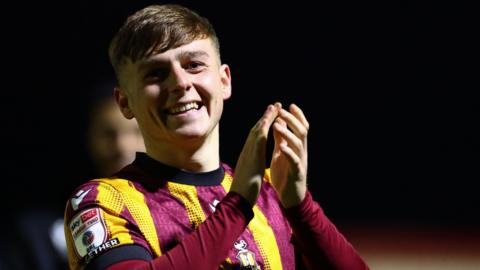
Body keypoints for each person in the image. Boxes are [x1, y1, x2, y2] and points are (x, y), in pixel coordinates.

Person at [64, 4, 369, 270]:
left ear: (224, 81)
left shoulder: (271, 195)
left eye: (194, 65)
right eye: (156, 73)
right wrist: (237, 206)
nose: (180, 82)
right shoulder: (101, 202)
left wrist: (299, 205)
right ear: (125, 103)